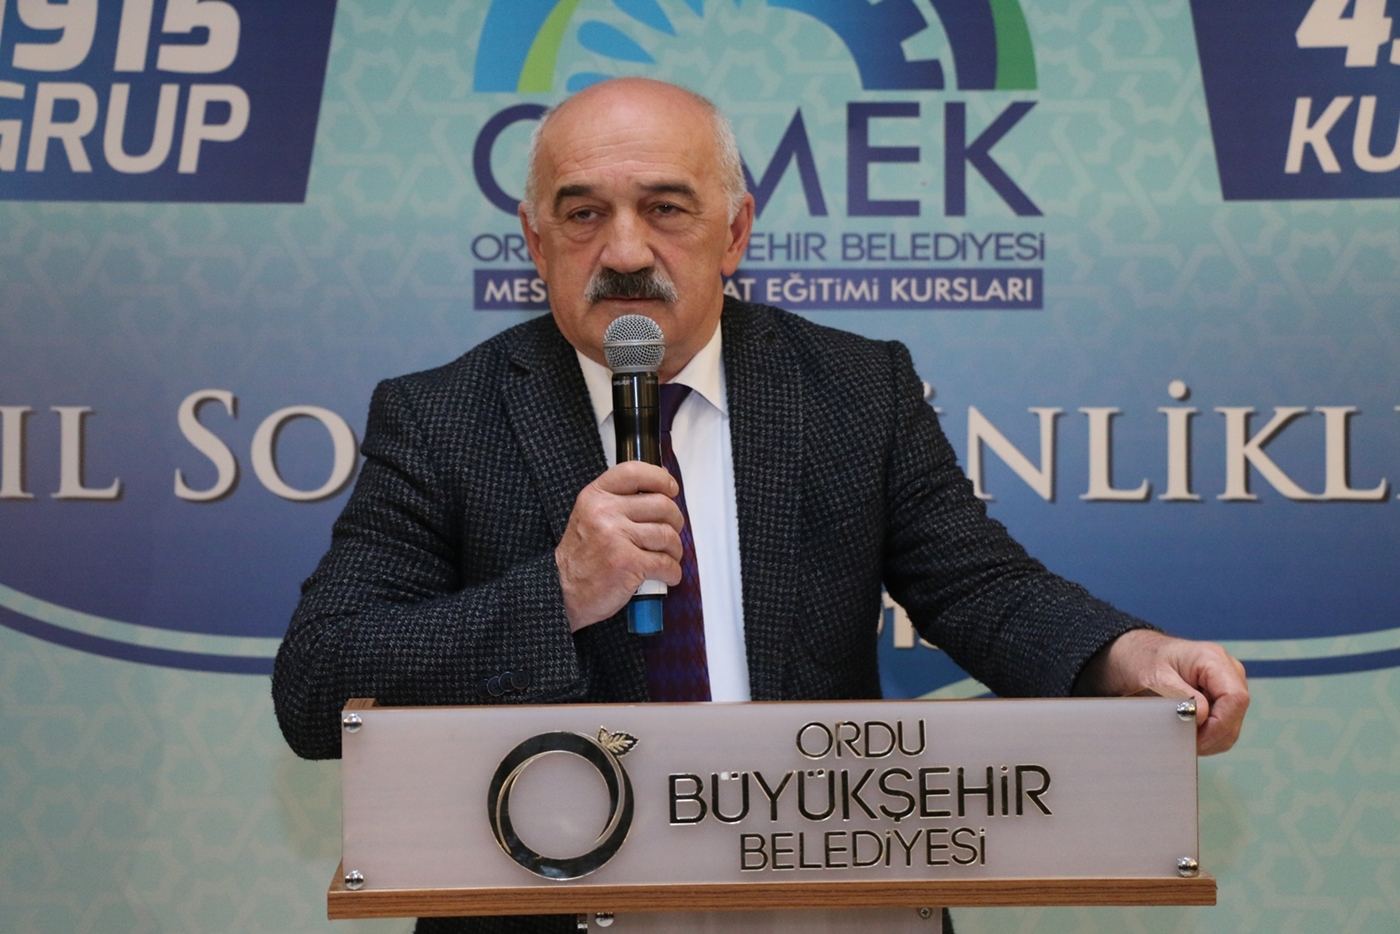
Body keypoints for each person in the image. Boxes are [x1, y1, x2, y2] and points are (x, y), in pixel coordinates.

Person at [273, 78, 1248, 934]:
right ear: (533, 241)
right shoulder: (442, 417)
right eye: (582, 214)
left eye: (665, 208)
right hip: (551, 900)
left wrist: (1127, 655)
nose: (624, 249)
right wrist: (559, 591)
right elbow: (318, 685)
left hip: (817, 884)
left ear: (734, 231)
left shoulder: (854, 388)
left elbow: (978, 586)